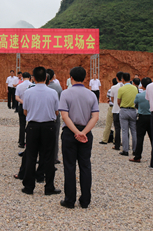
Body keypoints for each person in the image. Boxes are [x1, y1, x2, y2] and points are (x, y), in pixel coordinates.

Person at [59, 66, 99, 209]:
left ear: (71, 78)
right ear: (85, 78)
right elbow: (95, 117)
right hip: (86, 133)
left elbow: (65, 116)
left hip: (70, 132)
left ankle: (70, 200)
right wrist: (84, 132)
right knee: (85, 166)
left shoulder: (65, 93)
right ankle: (85, 200)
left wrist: (76, 132)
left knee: (69, 166)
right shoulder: (91, 95)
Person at [21, 67, 60, 196]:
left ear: (33, 78)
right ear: (46, 78)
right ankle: (49, 187)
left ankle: (29, 187)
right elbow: (56, 112)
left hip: (33, 126)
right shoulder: (53, 92)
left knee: (31, 156)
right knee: (48, 157)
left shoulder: (28, 92)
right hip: (49, 126)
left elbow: (25, 111)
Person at [132, 77, 152, 163]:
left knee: (140, 137)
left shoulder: (139, 95)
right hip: (152, 117)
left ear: (142, 85)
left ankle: (137, 156)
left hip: (142, 117)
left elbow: (135, 105)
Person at [118, 72, 138, 156]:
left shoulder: (121, 89)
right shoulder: (135, 88)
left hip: (124, 110)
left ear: (122, 79)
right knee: (134, 131)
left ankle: (125, 150)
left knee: (124, 131)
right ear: (130, 79)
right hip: (133, 110)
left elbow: (118, 101)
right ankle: (135, 150)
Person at [47, 69, 63, 164]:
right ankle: (54, 157)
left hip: (43, 115)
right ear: (53, 76)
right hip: (55, 114)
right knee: (55, 137)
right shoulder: (58, 87)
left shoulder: (39, 87)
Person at [15, 72, 33, 148]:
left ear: (22, 77)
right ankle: (30, 141)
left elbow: (17, 97)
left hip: (22, 106)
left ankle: (21, 141)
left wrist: (23, 102)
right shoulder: (32, 85)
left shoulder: (19, 86)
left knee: (22, 124)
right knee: (31, 124)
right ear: (29, 77)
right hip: (31, 106)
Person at [110, 71, 124, 151]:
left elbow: (112, 99)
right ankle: (126, 145)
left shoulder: (113, 87)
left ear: (117, 78)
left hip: (116, 109)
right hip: (124, 109)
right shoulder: (126, 87)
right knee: (125, 129)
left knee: (117, 128)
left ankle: (117, 145)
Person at [100, 78, 117, 145]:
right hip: (117, 108)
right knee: (116, 125)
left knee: (108, 124)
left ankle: (105, 140)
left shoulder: (110, 90)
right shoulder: (120, 89)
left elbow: (108, 99)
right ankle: (115, 140)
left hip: (111, 107)